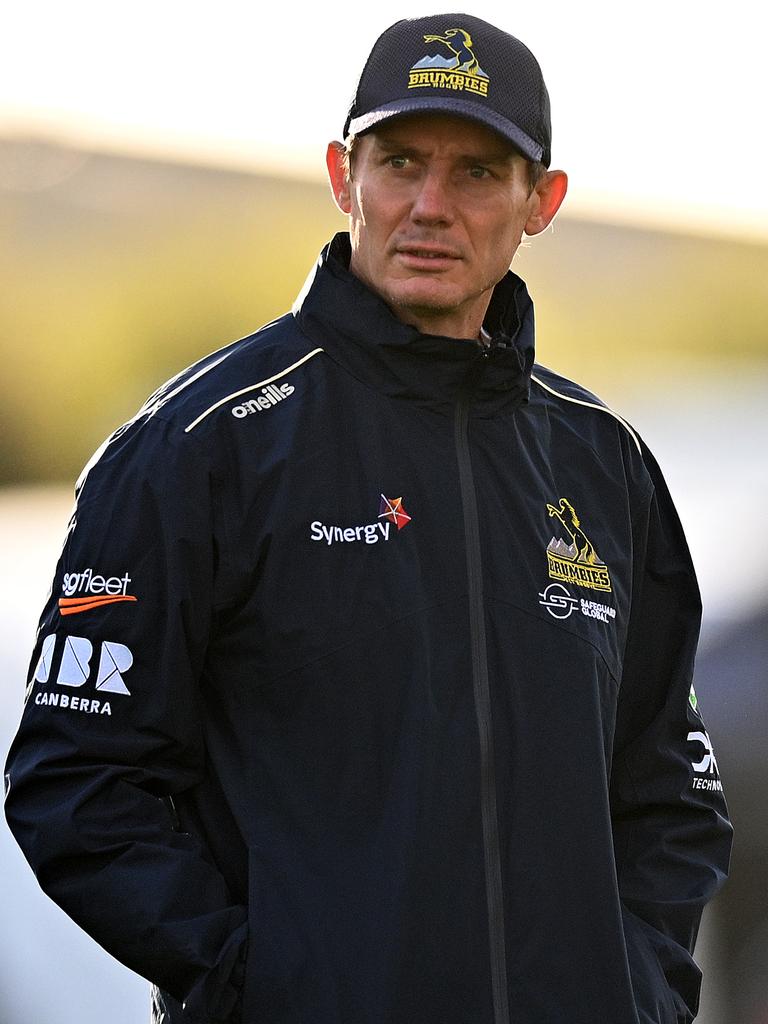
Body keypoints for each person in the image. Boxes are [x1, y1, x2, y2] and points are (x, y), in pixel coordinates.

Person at [4, 14, 732, 1024]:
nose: (430, 206)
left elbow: (670, 795)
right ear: (345, 176)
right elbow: (76, 782)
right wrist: (261, 980)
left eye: (477, 172)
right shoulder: (199, 445)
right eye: (400, 162)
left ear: (542, 201)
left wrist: (639, 992)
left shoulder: (604, 462)